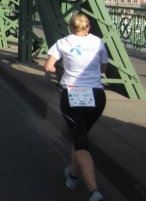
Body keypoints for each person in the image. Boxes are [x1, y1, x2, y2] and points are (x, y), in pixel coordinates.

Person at [44, 13, 108, 201]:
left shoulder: (63, 42)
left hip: (74, 95)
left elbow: (48, 67)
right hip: (97, 96)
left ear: (71, 27)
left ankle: (94, 191)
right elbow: (103, 69)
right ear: (88, 27)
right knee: (79, 135)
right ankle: (72, 176)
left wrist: (60, 69)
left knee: (80, 140)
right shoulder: (98, 42)